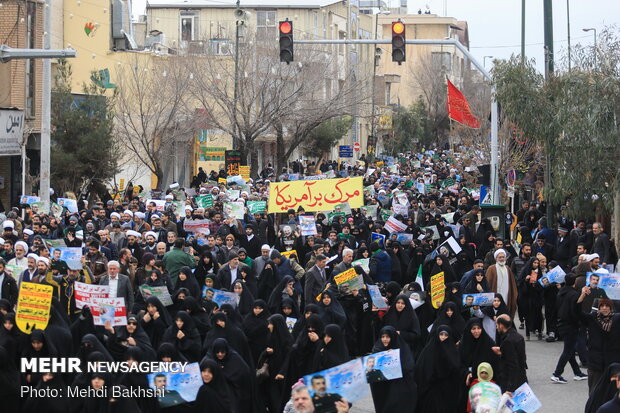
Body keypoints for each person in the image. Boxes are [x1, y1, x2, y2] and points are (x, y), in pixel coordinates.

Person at [551, 274, 589, 383]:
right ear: (574, 282)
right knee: (568, 351)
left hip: (561, 324)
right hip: (570, 326)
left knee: (570, 350)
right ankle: (557, 374)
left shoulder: (561, 292)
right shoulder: (573, 294)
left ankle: (577, 373)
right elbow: (576, 307)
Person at [370, 326, 416, 412]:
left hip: (397, 386)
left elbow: (408, 366)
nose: (385, 339)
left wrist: (394, 357)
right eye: (382, 337)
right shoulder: (377, 349)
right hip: (382, 387)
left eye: (388, 337)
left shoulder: (402, 348)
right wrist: (384, 356)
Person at [416, 325, 461, 412]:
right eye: (441, 334)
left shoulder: (453, 350)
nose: (443, 337)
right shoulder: (429, 349)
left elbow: (456, 368)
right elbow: (422, 368)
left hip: (447, 390)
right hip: (431, 389)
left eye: (446, 335)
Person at [492, 314, 527, 392]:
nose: (496, 327)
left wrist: (510, 389)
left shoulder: (508, 341)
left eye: (497, 324)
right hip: (522, 378)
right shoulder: (518, 336)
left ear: (501, 325)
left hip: (511, 382)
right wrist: (502, 352)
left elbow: (512, 365)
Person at [485, 249, 518, 316]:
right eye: (499, 257)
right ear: (496, 258)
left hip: (506, 295)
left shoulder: (508, 269)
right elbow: (487, 283)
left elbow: (512, 284)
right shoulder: (491, 268)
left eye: (503, 257)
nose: (502, 259)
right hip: (495, 295)